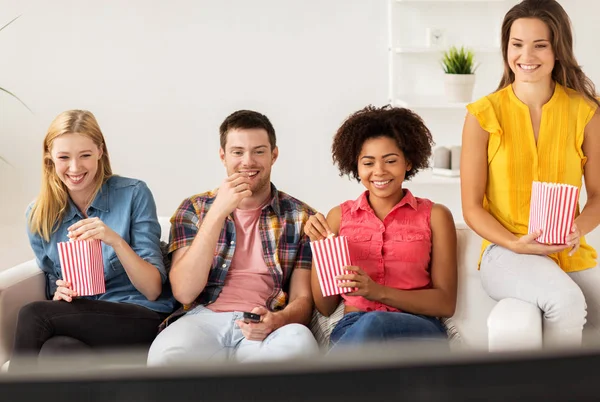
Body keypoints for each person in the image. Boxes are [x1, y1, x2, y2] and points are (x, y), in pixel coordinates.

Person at [461, 0, 600, 347]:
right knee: (566, 302)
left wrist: (576, 229)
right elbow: (472, 207)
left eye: (540, 45)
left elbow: (598, 196)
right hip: (505, 252)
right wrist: (514, 243)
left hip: (568, 250)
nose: (527, 55)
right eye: (517, 44)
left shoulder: (586, 112)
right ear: (506, 47)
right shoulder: (482, 116)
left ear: (558, 50)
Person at [147, 110, 319, 365]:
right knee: (166, 357)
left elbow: (302, 299)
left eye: (259, 151)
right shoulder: (194, 208)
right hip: (203, 319)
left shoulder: (301, 216)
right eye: (238, 152)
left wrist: (277, 320)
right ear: (223, 156)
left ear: (274, 155)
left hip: (265, 321)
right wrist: (218, 212)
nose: (248, 161)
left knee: (300, 342)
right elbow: (184, 292)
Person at [10, 110, 176, 371]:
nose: (75, 168)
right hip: (85, 318)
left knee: (32, 314)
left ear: (100, 151)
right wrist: (59, 293)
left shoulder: (134, 194)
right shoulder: (39, 214)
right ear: (49, 158)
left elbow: (153, 289)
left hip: (141, 316)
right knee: (57, 350)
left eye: (85, 155)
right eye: (64, 157)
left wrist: (115, 241)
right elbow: (54, 286)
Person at [303, 105, 457, 348]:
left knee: (376, 321)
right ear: (356, 166)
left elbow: (445, 303)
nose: (379, 171)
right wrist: (321, 252)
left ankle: (321, 383)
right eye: (368, 163)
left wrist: (377, 291)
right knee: (369, 324)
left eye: (390, 160)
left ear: (408, 162)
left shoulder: (436, 216)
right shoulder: (338, 217)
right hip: (353, 326)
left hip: (418, 326)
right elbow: (325, 306)